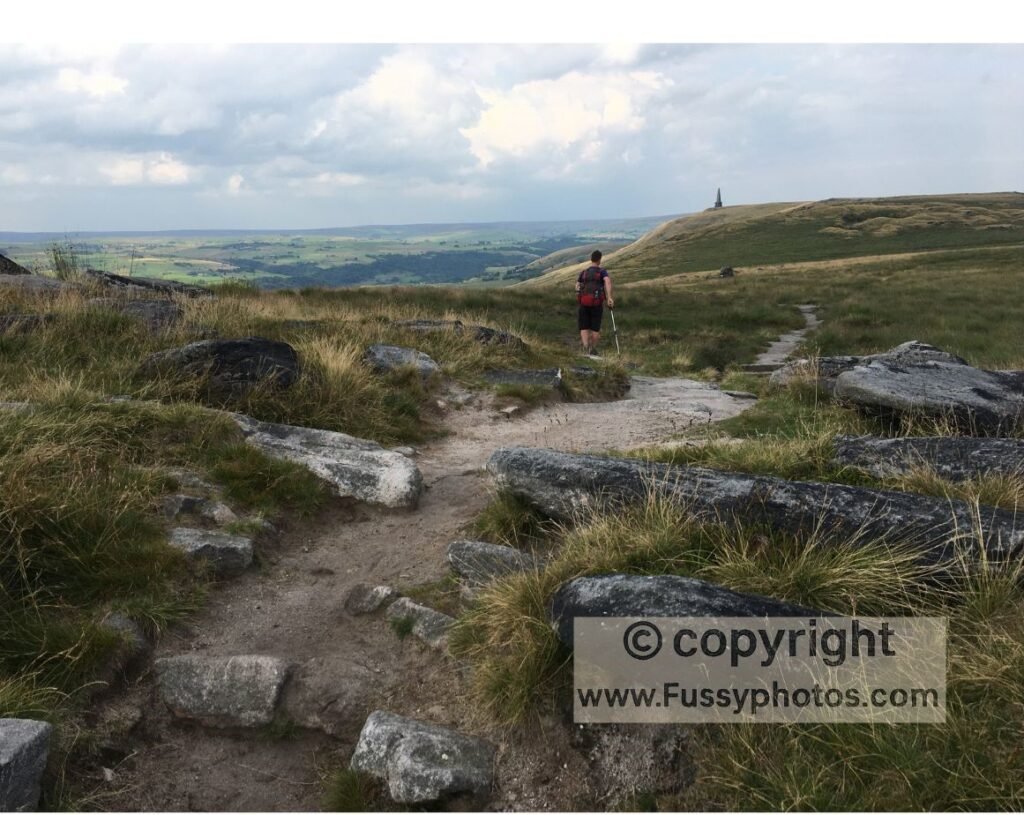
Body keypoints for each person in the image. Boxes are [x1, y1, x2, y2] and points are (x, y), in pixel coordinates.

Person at [575, 249, 614, 357]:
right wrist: (609, 297)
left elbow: (577, 285)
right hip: (597, 304)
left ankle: (586, 348)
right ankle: (592, 349)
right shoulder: (602, 271)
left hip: (584, 304)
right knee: (595, 329)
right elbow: (607, 282)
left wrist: (579, 294)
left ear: (591, 259)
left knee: (584, 327)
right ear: (599, 260)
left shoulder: (584, 272)